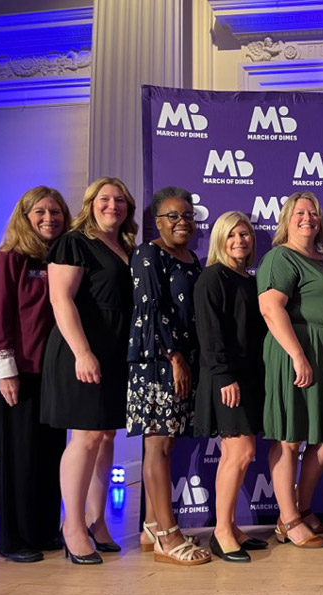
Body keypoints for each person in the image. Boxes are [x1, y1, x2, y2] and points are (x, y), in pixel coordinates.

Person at [41, 177, 136, 564]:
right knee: (86, 436)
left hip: (115, 352)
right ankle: (73, 527)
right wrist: (82, 352)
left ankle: (97, 521)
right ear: (90, 204)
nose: (113, 205)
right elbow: (60, 299)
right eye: (104, 199)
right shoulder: (74, 242)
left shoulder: (126, 247)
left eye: (120, 200)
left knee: (106, 435)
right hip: (81, 349)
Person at [0, 186, 71, 563]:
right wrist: (5, 372)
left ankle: (44, 530)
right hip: (17, 374)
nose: (49, 218)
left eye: (56, 212)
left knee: (48, 455)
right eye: (40, 212)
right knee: (17, 457)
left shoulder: (62, 258)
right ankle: (14, 539)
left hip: (53, 375)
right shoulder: (10, 257)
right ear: (25, 216)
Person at [126, 187, 210, 565]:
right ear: (157, 222)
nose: (182, 222)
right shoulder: (149, 253)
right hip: (158, 362)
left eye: (187, 215)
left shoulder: (191, 259)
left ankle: (151, 526)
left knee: (167, 444)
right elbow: (152, 308)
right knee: (158, 445)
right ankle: (167, 535)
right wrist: (174, 357)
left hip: (183, 361)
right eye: (173, 216)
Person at [257, 192, 323, 549]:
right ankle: (288, 519)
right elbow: (270, 308)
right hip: (295, 349)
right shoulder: (281, 256)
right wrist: (297, 355)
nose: (308, 218)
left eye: (313, 213)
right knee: (290, 437)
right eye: (300, 212)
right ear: (287, 220)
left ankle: (303, 508)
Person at [194, 211, 268, 562]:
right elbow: (210, 333)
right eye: (232, 235)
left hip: (249, 377)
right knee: (239, 452)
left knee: (238, 454)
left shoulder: (248, 280)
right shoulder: (213, 277)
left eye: (245, 234)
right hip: (226, 378)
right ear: (220, 240)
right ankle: (221, 532)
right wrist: (224, 376)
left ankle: (232, 526)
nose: (240, 241)